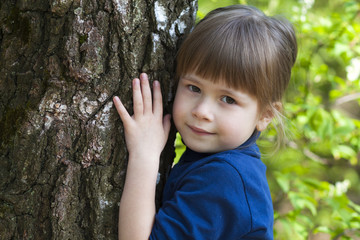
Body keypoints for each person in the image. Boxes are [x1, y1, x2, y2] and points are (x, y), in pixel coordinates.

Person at [113, 4, 297, 240]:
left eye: (228, 99)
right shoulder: (222, 165)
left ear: (265, 116)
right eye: (194, 88)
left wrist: (143, 155)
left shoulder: (224, 178)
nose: (202, 111)